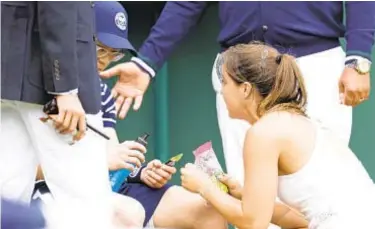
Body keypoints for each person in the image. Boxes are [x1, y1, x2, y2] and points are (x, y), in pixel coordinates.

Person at [99, 2, 375, 192]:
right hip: (240, 71)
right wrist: (148, 61)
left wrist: (359, 58)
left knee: (321, 188)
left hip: (314, 62)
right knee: (248, 187)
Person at [32, 2, 229, 229]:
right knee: (126, 213)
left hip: (104, 185)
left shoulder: (101, 92)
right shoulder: (34, 86)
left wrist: (140, 173)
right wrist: (99, 162)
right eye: (100, 48)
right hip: (53, 189)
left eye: (114, 54)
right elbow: (23, 167)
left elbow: (111, 155)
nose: (104, 60)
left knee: (207, 209)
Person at [180, 42, 375, 229]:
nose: (221, 90)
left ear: (245, 89)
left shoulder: (264, 134)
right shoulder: (290, 121)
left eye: (225, 82)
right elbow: (299, 220)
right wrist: (242, 195)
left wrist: (204, 187)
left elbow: (254, 224)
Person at [1, 2, 112, 228]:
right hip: (48, 81)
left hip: (7, 73)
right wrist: (64, 87)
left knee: (7, 194)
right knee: (85, 203)